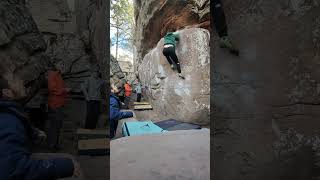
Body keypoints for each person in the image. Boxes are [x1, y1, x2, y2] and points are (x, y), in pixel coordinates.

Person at [0, 71, 80, 180]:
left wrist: (34, 132)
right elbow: (12, 169)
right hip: (15, 169)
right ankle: (52, 146)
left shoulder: (11, 113)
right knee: (72, 164)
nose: (21, 80)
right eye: (14, 79)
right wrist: (65, 166)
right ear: (7, 92)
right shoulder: (9, 121)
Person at [47, 65, 71, 151]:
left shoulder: (58, 75)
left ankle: (55, 144)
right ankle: (52, 145)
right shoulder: (53, 74)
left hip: (58, 104)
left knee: (58, 126)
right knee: (54, 126)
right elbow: (52, 89)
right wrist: (65, 90)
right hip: (55, 104)